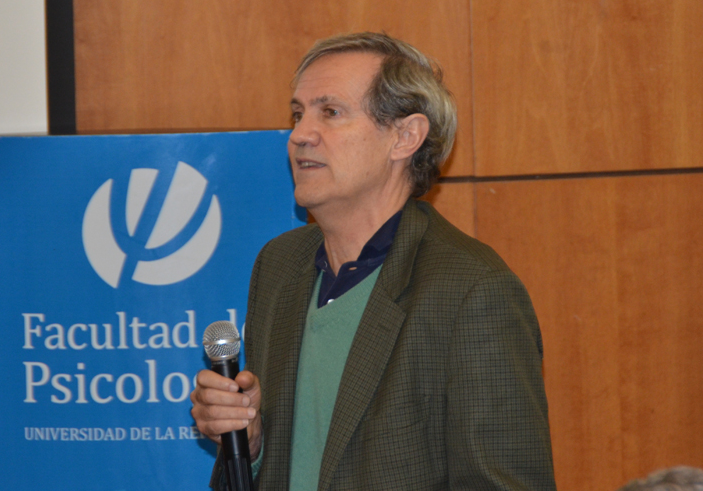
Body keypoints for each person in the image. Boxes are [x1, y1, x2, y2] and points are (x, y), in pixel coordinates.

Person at [191, 32, 556, 490]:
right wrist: (252, 444)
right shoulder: (279, 266)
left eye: (330, 112)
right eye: (298, 114)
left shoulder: (471, 292)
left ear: (405, 137)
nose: (299, 135)